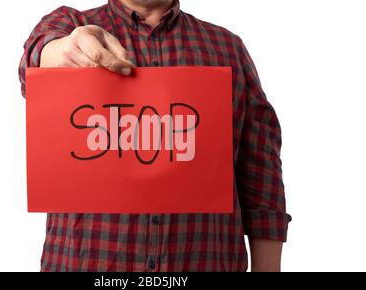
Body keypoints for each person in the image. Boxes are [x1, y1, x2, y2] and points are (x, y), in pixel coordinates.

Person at [19, 0, 291, 272]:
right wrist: (65, 50)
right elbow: (36, 59)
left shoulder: (227, 48)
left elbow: (261, 169)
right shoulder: (72, 24)